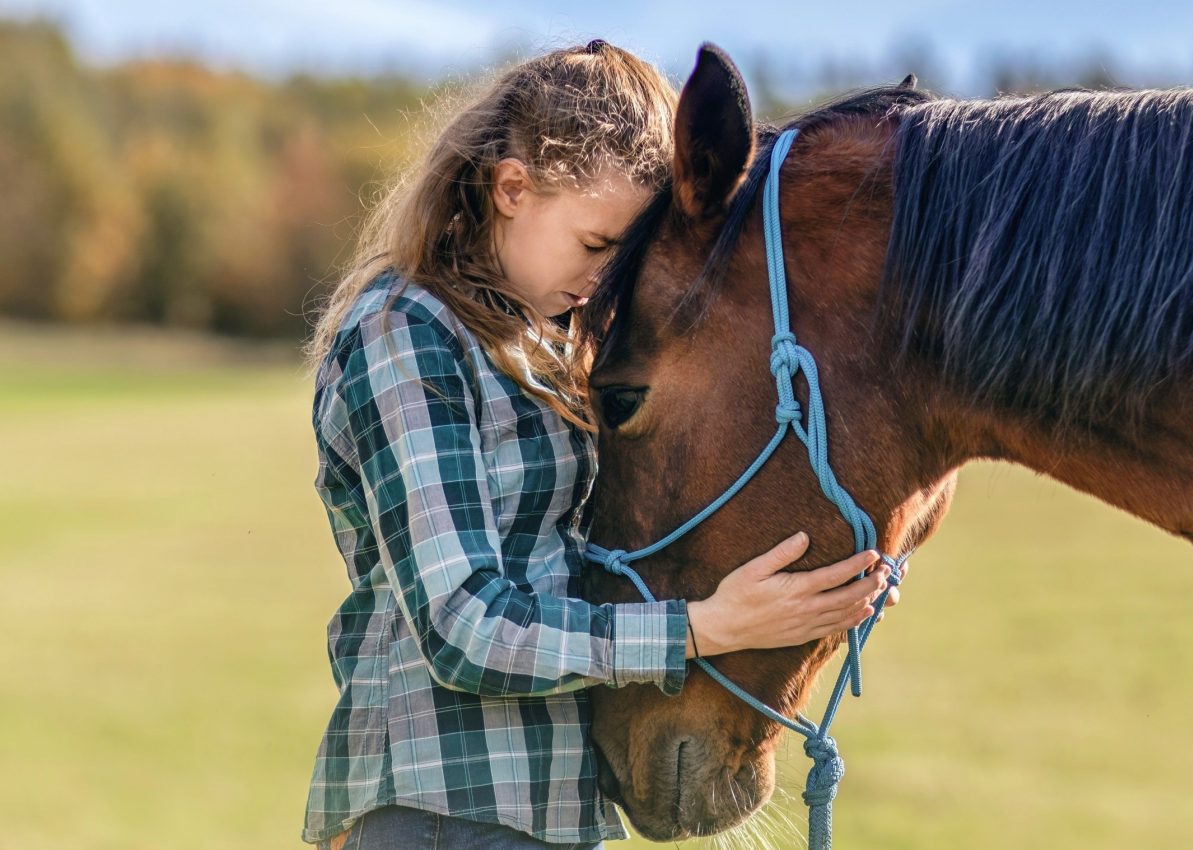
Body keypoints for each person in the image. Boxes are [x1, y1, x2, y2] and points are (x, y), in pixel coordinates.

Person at [299, 40, 897, 850]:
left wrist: (816, 586)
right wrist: (702, 628)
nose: (602, 277)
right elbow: (460, 623)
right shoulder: (404, 334)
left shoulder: (543, 347)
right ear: (512, 188)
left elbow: (596, 555)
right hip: (438, 809)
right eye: (594, 245)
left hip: (545, 811)